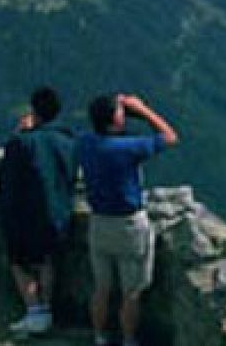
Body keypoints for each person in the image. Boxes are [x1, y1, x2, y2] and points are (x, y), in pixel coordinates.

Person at [77, 94, 179, 346]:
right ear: (114, 122)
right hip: (129, 227)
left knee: (102, 288)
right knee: (131, 292)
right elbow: (169, 137)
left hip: (99, 223)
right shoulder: (127, 148)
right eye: (121, 113)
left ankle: (99, 337)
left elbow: (101, 132)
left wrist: (119, 113)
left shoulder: (85, 143)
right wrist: (143, 110)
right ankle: (129, 340)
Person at [0, 86, 77, 337]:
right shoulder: (69, 140)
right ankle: (47, 308)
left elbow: (7, 177)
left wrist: (18, 133)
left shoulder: (23, 142)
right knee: (47, 260)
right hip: (59, 213)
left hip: (26, 214)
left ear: (34, 112)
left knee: (18, 261)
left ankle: (35, 311)